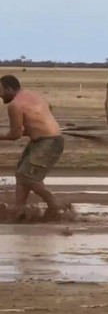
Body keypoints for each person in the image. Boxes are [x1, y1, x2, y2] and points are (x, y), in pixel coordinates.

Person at [0, 75, 66, 221]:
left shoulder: (14, 105)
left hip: (48, 142)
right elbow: (48, 107)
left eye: (1, 90)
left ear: (10, 89)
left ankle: (55, 205)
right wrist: (39, 125)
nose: (0, 95)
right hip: (45, 140)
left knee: (27, 176)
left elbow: (14, 134)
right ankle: (19, 209)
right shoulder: (31, 95)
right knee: (21, 173)